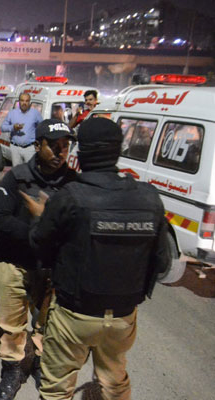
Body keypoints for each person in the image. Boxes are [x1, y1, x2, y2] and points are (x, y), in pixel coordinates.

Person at [22, 117, 170, 400]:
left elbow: (39, 246)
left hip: (74, 315)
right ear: (118, 151)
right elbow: (161, 264)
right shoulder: (149, 198)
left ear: (83, 152)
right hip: (123, 317)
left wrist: (39, 218)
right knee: (114, 384)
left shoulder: (70, 196)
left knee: (56, 388)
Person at [0, 119, 77, 400]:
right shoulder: (17, 178)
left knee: (47, 323)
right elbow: (0, 218)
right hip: (15, 262)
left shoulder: (73, 184)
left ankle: (39, 362)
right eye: (53, 146)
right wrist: (37, 234)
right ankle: (13, 369)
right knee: (11, 322)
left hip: (52, 269)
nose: (60, 152)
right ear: (37, 146)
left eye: (65, 146)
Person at [1, 93, 43, 166]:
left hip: (30, 149)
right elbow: (3, 127)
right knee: (17, 173)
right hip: (15, 148)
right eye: (22, 100)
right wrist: (13, 127)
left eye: (27, 101)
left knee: (30, 172)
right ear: (19, 101)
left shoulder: (35, 113)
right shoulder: (12, 113)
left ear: (29, 102)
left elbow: (42, 127)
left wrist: (39, 143)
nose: (24, 103)